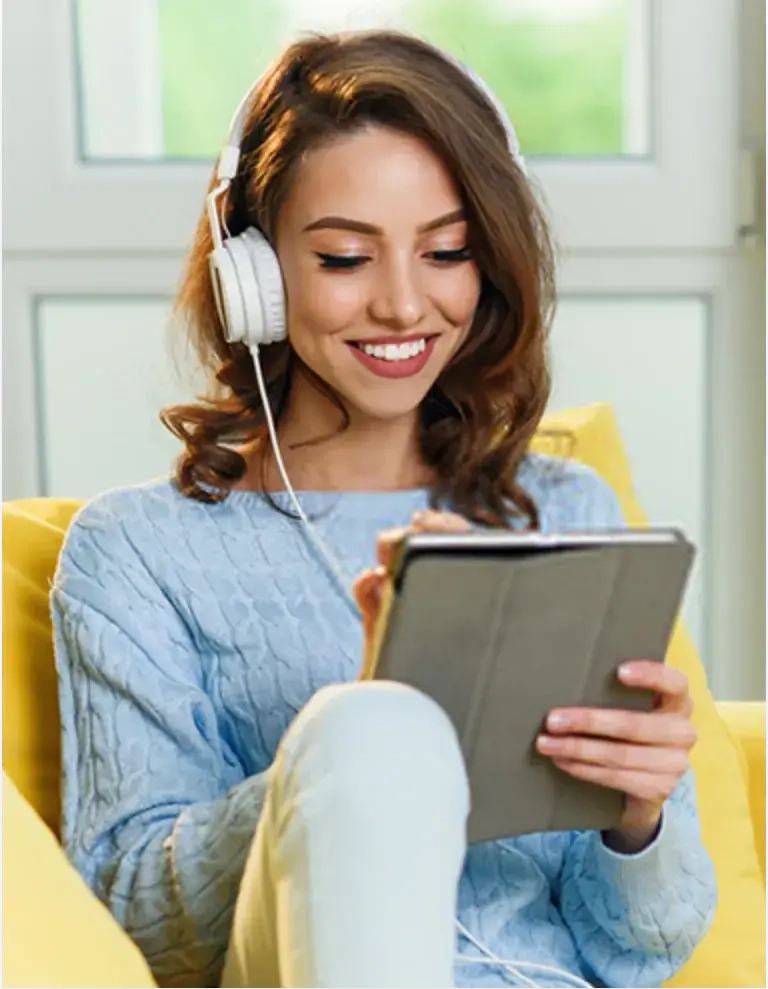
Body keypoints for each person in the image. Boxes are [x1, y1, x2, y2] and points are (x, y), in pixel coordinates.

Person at [52, 29, 717, 989]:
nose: (405, 306)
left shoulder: (564, 509)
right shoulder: (137, 551)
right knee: (370, 729)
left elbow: (646, 948)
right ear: (254, 276)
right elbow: (134, 922)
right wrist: (360, 738)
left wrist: (639, 817)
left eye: (446, 251)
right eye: (345, 258)